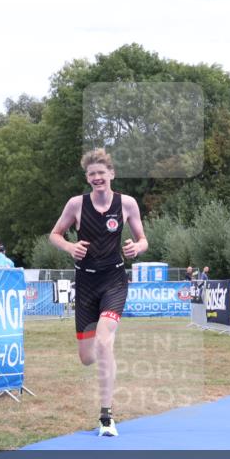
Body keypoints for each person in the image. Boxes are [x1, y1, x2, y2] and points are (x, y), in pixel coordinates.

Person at [49, 148, 147, 437]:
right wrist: (69, 247)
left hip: (114, 281)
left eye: (101, 173)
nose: (96, 178)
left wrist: (135, 248)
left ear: (111, 174)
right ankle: (104, 348)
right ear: (87, 178)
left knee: (104, 342)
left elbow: (143, 240)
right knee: (88, 357)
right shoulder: (76, 205)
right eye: (91, 174)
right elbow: (54, 234)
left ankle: (106, 416)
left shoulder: (127, 203)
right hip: (86, 285)